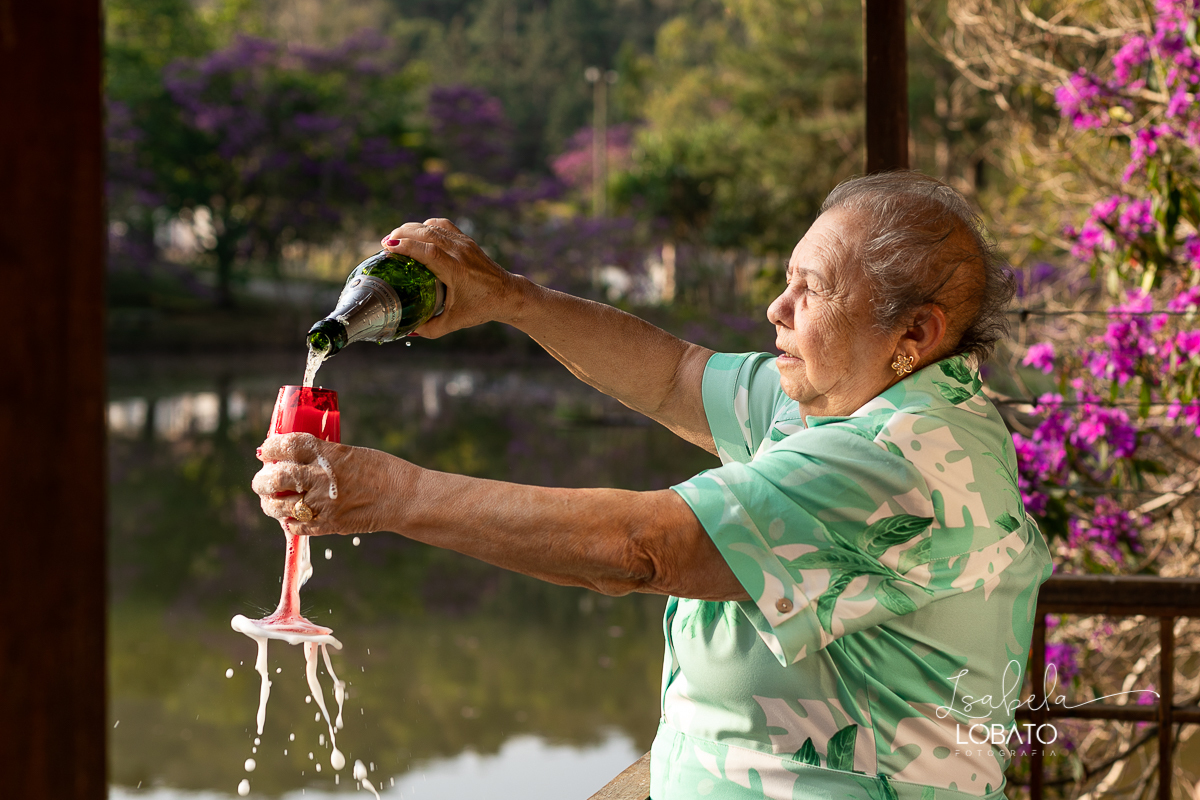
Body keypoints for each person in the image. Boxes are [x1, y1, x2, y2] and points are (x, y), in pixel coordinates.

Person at [253, 171, 1053, 800]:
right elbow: (674, 376)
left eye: (812, 291)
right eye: (787, 280)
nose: (777, 307)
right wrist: (509, 297)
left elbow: (643, 549)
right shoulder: (847, 394)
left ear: (913, 333)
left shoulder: (900, 457)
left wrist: (391, 496)